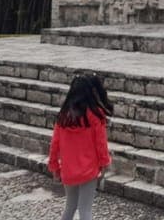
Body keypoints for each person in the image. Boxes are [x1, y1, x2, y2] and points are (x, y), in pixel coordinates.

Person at [47, 74, 112, 220]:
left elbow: (54, 144)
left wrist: (54, 167)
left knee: (70, 207)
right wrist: (104, 164)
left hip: (68, 170)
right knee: (85, 210)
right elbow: (101, 144)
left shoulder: (63, 116)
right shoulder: (95, 115)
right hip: (89, 170)